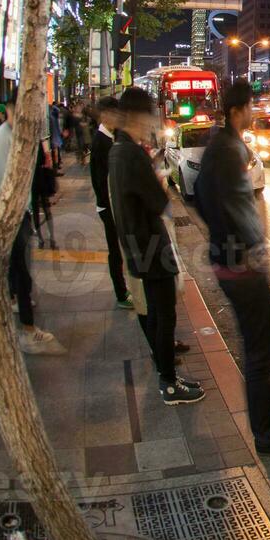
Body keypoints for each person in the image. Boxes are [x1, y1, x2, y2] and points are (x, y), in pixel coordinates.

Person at [195, 81, 270, 455]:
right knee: (260, 351)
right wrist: (253, 248)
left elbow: (201, 197)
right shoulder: (229, 150)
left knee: (264, 345)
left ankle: (268, 414)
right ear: (236, 111)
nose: (254, 112)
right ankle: (266, 435)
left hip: (230, 259)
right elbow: (237, 207)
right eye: (249, 106)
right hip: (241, 266)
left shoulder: (223, 146)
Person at [108, 87, 204, 406]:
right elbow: (159, 201)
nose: (151, 122)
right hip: (150, 247)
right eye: (148, 115)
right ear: (136, 116)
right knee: (165, 316)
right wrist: (159, 180)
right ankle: (169, 382)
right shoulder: (131, 154)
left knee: (157, 314)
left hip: (137, 246)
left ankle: (166, 374)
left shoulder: (119, 149)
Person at [0, 105, 65, 355]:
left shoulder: (8, 135)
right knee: (22, 270)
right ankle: (29, 331)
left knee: (17, 269)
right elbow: (5, 180)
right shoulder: (7, 138)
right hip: (13, 214)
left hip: (15, 211)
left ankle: (15, 300)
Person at [90, 96, 133, 310]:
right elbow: (101, 180)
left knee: (117, 249)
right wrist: (110, 207)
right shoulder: (101, 142)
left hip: (110, 204)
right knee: (115, 251)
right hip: (108, 206)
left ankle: (123, 289)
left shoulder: (109, 137)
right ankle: (121, 292)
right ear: (106, 115)